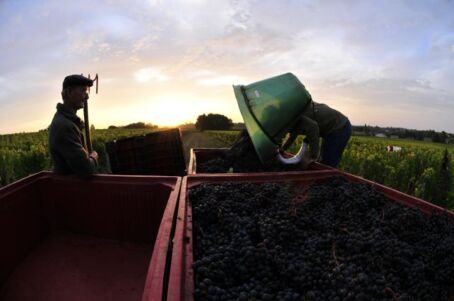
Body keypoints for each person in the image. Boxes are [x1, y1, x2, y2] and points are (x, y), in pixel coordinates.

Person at [48, 74, 98, 177]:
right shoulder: (65, 126)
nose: (87, 96)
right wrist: (94, 156)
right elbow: (87, 169)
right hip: (70, 189)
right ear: (70, 92)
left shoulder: (66, 120)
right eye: (83, 91)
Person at [280, 100, 351, 168]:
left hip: (340, 127)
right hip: (329, 128)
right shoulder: (289, 114)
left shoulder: (295, 113)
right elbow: (293, 133)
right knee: (322, 162)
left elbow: (313, 128)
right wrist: (283, 149)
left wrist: (312, 156)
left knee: (327, 165)